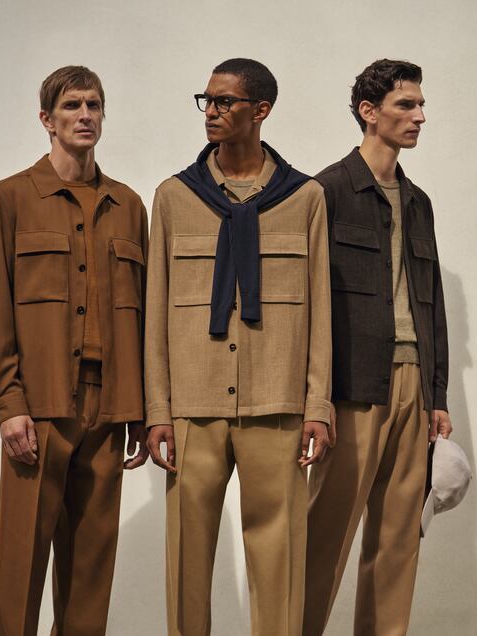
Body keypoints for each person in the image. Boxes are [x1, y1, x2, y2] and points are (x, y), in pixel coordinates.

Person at [143, 58, 333, 636]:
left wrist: (318, 405)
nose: (212, 111)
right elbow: (155, 313)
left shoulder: (305, 198)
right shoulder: (174, 197)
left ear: (261, 110)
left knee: (280, 564)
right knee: (186, 557)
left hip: (277, 406)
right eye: (207, 100)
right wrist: (158, 411)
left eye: (225, 101)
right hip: (192, 407)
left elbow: (321, 312)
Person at [0, 65, 149, 636]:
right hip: (39, 407)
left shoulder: (128, 206)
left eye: (94, 105)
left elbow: (144, 315)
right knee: (21, 566)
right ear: (47, 120)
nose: (85, 115)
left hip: (109, 408)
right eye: (72, 106)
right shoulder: (10, 199)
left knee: (90, 574)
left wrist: (141, 412)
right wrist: (9, 404)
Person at [303, 59, 454, 636]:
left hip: (414, 386)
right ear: (369, 112)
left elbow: (432, 303)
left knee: (398, 540)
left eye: (420, 105)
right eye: (405, 105)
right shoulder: (325, 191)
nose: (419, 116)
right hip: (353, 387)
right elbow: (308, 305)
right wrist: (316, 398)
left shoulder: (418, 202)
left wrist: (437, 395)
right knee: (325, 535)